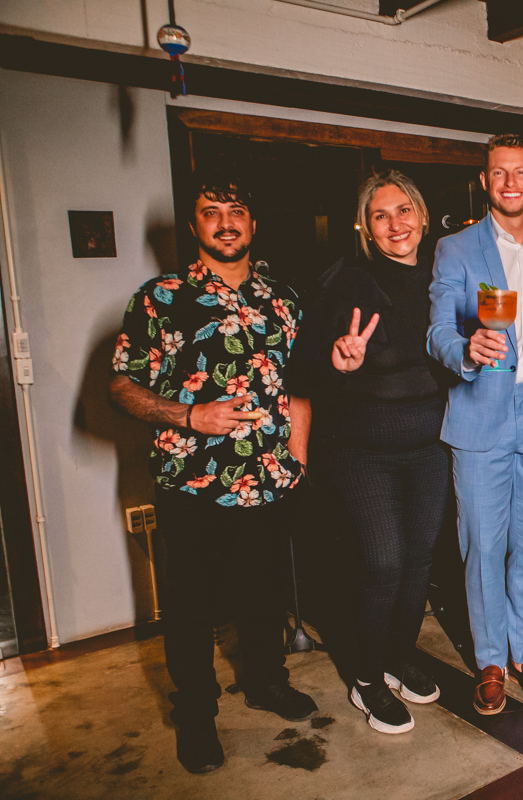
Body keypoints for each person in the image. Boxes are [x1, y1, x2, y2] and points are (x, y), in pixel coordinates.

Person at [109, 171, 315, 774]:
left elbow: (300, 386)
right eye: (211, 212)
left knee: (264, 591)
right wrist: (189, 414)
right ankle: (196, 714)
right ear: (193, 224)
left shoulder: (284, 299)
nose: (226, 223)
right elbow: (121, 385)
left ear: (252, 222)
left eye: (236, 211)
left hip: (271, 476)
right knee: (192, 605)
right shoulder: (161, 297)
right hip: (193, 480)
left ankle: (266, 682)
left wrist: (298, 458)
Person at [290, 171, 447, 735]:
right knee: (384, 561)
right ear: (365, 228)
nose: (395, 224)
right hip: (360, 449)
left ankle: (398, 657)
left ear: (422, 216)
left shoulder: (446, 275)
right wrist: (338, 363)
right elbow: (301, 373)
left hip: (429, 447)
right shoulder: (345, 283)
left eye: (404, 210)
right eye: (380, 216)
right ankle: (366, 676)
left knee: (419, 561)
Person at [427, 134, 523, 715]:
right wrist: (466, 348)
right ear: (484, 181)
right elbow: (438, 330)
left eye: (520, 172)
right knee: (483, 544)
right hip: (480, 407)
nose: (509, 182)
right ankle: (490, 659)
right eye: (498, 173)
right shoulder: (456, 248)